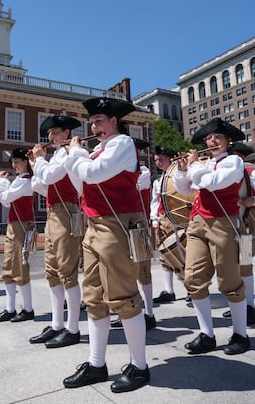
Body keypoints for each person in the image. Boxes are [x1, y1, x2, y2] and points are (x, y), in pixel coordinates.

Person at [62, 97, 150, 393]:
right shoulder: (97, 150)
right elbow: (80, 184)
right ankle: (97, 363)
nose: (93, 126)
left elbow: (93, 174)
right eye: (92, 122)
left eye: (99, 120)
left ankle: (139, 366)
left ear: (114, 121)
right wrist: (74, 156)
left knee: (123, 295)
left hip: (117, 223)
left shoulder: (122, 143)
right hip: (95, 223)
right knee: (94, 295)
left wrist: (75, 153)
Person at [173, 118, 250, 356]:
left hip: (224, 222)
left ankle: (240, 334)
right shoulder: (203, 164)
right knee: (193, 278)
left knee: (229, 280)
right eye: (208, 138)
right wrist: (184, 169)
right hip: (197, 222)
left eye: (217, 137)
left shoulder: (234, 161)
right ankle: (207, 334)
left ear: (228, 141)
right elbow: (184, 188)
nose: (212, 141)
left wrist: (195, 166)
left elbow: (212, 182)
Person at [28, 114, 84, 348]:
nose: (51, 136)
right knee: (52, 270)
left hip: (66, 213)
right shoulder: (54, 157)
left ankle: (72, 328)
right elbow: (43, 185)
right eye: (49, 133)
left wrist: (40, 161)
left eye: (56, 132)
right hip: (53, 213)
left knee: (66, 269)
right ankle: (57, 324)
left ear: (67, 134)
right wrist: (35, 165)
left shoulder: (67, 154)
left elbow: (50, 176)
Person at [222, 142, 255, 325]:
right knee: (229, 266)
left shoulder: (254, 174)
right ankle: (237, 304)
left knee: (244, 265)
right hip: (225, 224)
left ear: (241, 157)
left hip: (246, 224)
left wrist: (254, 200)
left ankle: (249, 307)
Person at [111, 138, 156, 330]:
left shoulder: (143, 171)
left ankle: (149, 314)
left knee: (143, 271)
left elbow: (134, 185)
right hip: (122, 223)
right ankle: (128, 312)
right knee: (124, 269)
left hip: (138, 224)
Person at [0, 147, 36, 323]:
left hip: (22, 226)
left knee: (20, 266)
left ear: (26, 162)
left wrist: (1, 181)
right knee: (9, 266)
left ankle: (28, 308)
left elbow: (4, 196)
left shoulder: (25, 181)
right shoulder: (19, 181)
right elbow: (5, 201)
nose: (14, 165)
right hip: (14, 225)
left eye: (17, 161)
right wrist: (3, 185)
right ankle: (10, 308)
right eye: (13, 162)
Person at [149, 145, 185, 304]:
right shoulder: (158, 181)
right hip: (164, 219)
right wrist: (155, 219)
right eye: (156, 160)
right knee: (165, 255)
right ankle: (169, 290)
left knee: (182, 254)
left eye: (161, 159)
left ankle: (191, 287)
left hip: (178, 218)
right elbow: (155, 202)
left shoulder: (179, 176)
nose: (158, 162)